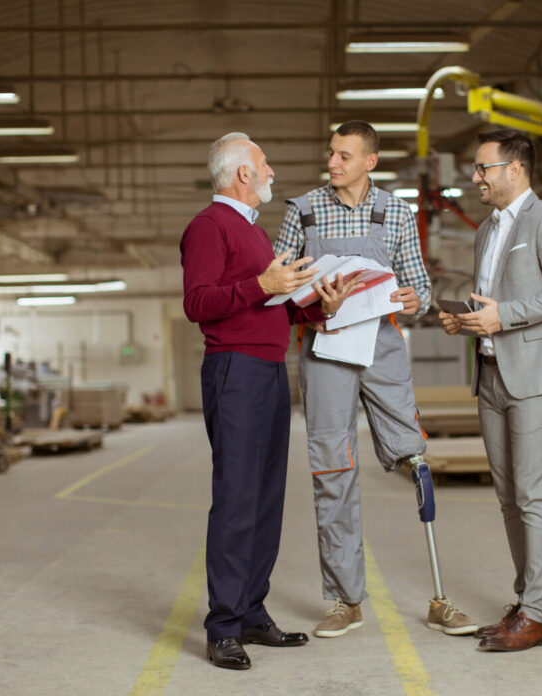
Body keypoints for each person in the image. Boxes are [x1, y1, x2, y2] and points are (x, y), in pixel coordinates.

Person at [274, 120, 476, 639]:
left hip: (382, 345)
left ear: (370, 162)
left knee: (414, 456)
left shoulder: (395, 211)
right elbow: (279, 283)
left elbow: (419, 287)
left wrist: (417, 299)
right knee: (332, 469)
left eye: (345, 155)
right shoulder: (303, 210)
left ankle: (440, 598)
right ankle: (345, 600)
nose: (333, 162)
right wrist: (314, 299)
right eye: (331, 153)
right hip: (324, 349)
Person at [180, 132, 360, 670]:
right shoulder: (210, 227)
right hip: (233, 369)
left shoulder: (253, 233)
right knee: (237, 497)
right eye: (265, 165)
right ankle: (223, 627)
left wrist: (318, 307)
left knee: (265, 498)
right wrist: (262, 282)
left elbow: (271, 308)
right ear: (242, 174)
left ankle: (252, 612)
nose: (273, 173)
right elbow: (198, 303)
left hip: (267, 369)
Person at [438, 128, 542, 652]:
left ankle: (539, 616)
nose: (476, 177)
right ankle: (526, 604)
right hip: (493, 375)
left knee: (534, 496)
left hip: (538, 377)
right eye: (477, 169)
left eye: (484, 168)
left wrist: (503, 318)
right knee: (509, 500)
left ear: (515, 169)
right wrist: (468, 319)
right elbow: (494, 300)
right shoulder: (486, 230)